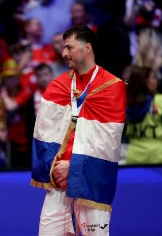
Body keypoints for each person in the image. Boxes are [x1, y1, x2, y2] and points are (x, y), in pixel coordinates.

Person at [31, 26, 126, 235]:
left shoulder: (112, 87)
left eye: (69, 47)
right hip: (58, 184)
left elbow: (108, 145)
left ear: (87, 49)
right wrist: (57, 168)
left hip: (91, 184)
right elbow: (43, 136)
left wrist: (73, 168)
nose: (63, 53)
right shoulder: (57, 86)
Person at [124, 66, 162, 164]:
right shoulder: (159, 101)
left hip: (133, 159)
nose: (156, 81)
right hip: (157, 158)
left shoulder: (126, 105)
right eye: (153, 78)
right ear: (145, 82)